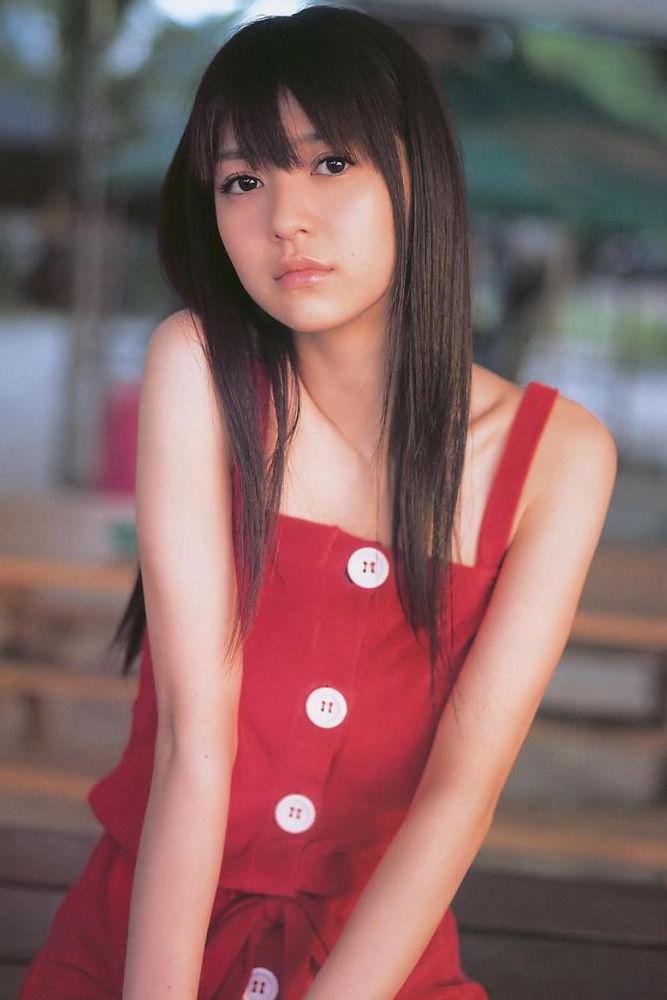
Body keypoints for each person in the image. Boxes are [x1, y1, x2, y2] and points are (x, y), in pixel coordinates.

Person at [19, 5, 618, 999]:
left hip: (375, 964)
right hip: (147, 941)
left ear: (417, 174)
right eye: (241, 180)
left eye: (329, 162)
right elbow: (193, 746)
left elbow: (458, 794)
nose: (283, 218)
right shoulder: (199, 369)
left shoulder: (558, 457)